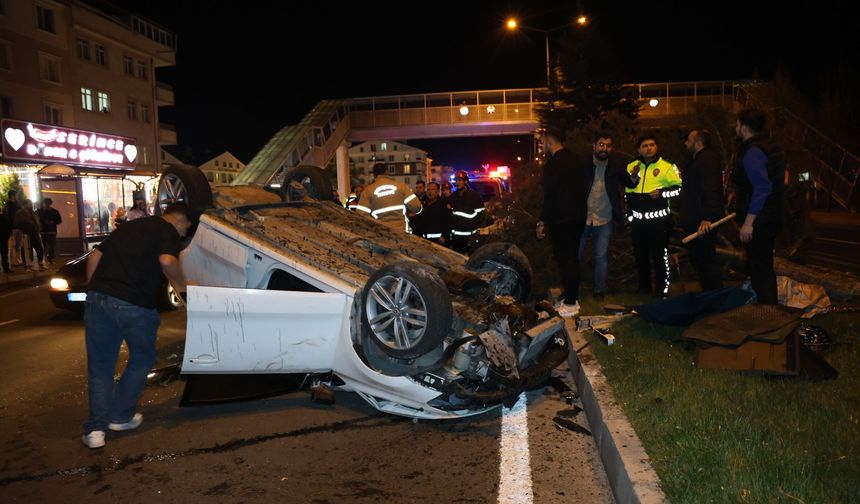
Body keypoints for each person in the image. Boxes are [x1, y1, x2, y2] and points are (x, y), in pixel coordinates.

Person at [81, 203, 192, 449]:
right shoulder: (167, 231)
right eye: (186, 229)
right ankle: (120, 416)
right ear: (180, 221)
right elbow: (167, 261)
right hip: (135, 304)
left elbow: (95, 255)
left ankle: (95, 431)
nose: (184, 234)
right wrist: (184, 286)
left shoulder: (130, 226)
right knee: (142, 359)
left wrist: (93, 289)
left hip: (98, 299)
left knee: (100, 367)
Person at [733, 108, 785, 304]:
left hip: (760, 220)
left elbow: (762, 187)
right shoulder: (770, 146)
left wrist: (749, 222)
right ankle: (767, 308)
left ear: (744, 128)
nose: (735, 128)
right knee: (762, 266)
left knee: (760, 268)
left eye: (737, 125)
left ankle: (768, 310)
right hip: (770, 215)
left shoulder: (753, 151)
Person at [535, 128, 589, 317]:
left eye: (542, 142)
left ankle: (571, 304)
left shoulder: (553, 164)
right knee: (572, 258)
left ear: (550, 141)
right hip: (579, 216)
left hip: (561, 219)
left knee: (565, 260)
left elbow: (549, 196)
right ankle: (570, 297)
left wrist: (542, 221)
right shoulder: (577, 160)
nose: (541, 146)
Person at [578, 133, 637, 300]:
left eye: (608, 145)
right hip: (583, 217)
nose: (604, 148)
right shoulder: (584, 164)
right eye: (601, 144)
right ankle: (572, 289)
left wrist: (634, 175)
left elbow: (630, 183)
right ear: (594, 146)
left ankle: (599, 291)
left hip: (604, 218)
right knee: (576, 256)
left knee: (601, 257)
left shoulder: (616, 166)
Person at [625, 135, 682, 298]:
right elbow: (627, 192)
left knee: (659, 256)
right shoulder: (631, 167)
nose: (649, 148)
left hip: (659, 221)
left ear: (657, 147)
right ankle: (644, 287)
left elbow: (679, 189)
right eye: (644, 146)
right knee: (640, 255)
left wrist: (662, 193)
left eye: (651, 145)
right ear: (638, 149)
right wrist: (629, 215)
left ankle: (661, 289)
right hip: (638, 221)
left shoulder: (667, 167)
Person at [680, 130, 725, 291]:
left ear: (698, 142)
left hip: (702, 221)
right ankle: (709, 294)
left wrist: (707, 217)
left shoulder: (707, 160)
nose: (685, 143)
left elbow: (711, 189)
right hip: (696, 218)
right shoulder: (696, 160)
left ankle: (714, 295)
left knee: (705, 259)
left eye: (688, 140)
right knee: (699, 259)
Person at [355, 163, 422, 232]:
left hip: (381, 233)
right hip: (401, 231)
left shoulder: (368, 191)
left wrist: (375, 224)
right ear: (386, 172)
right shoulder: (400, 186)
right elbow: (417, 207)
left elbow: (361, 215)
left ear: (374, 174)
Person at [449, 171, 485, 253]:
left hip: (470, 235)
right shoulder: (453, 196)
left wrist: (475, 227)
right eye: (456, 180)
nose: (457, 183)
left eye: (460, 180)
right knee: (457, 258)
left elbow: (481, 214)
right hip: (457, 236)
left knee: (472, 258)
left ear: (465, 181)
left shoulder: (474, 195)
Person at [14, 199, 46, 270]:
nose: (31, 205)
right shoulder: (20, 213)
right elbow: (17, 223)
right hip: (26, 233)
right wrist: (27, 223)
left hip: (35, 232)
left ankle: (41, 262)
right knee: (27, 249)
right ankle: (27, 265)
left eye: (31, 203)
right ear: (25, 204)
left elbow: (37, 221)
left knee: (39, 247)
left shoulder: (33, 212)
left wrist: (38, 226)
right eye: (29, 203)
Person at [37, 198, 62, 264]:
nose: (46, 205)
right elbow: (36, 219)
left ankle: (50, 258)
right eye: (45, 204)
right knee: (44, 245)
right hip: (44, 231)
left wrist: (52, 222)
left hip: (51, 231)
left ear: (50, 204)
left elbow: (59, 220)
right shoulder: (39, 211)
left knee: (51, 246)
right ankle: (45, 258)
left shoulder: (54, 211)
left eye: (48, 204)